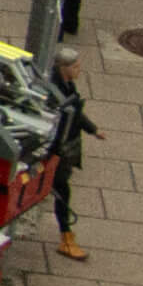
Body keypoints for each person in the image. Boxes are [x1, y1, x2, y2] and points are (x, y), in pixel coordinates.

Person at [45, 45, 100, 265]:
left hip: (65, 150)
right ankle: (66, 237)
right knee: (61, 190)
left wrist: (93, 129)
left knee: (61, 189)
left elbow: (76, 112)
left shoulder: (66, 86)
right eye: (75, 66)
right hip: (59, 152)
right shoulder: (56, 92)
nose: (79, 69)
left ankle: (66, 235)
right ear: (63, 68)